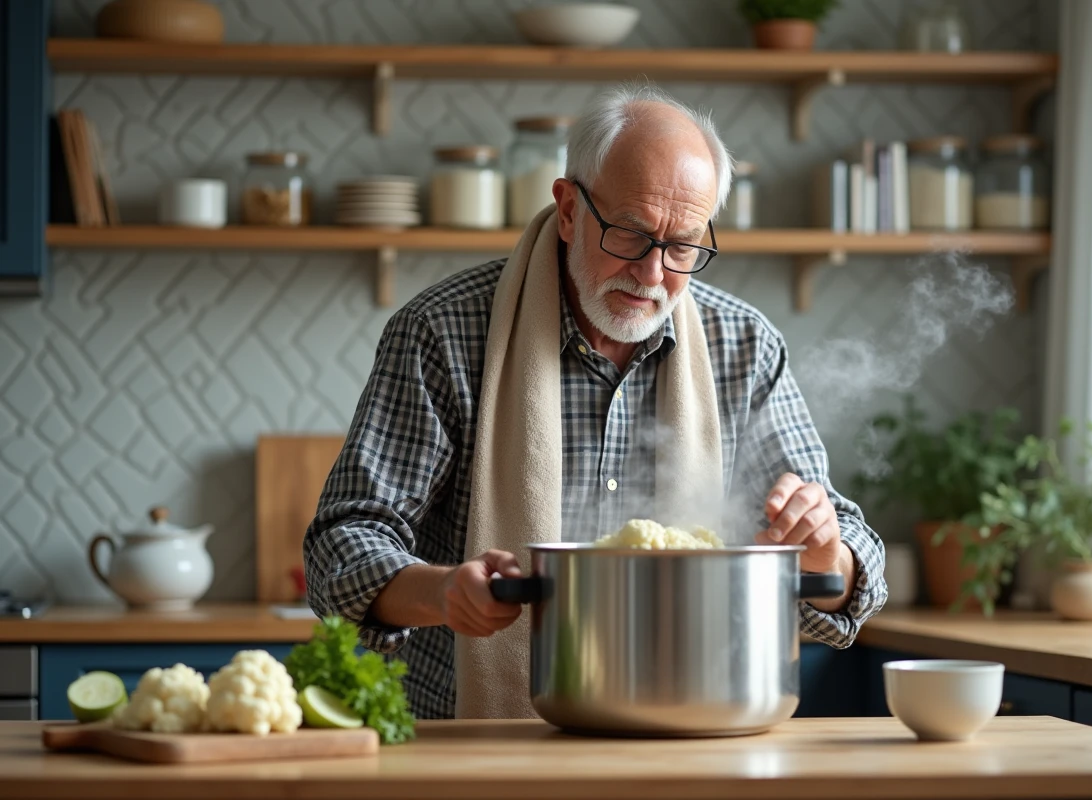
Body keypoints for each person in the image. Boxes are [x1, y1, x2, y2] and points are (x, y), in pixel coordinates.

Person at [304, 83, 888, 720]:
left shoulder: (743, 347)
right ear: (568, 208)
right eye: (631, 235)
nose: (653, 273)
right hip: (475, 747)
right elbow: (343, 542)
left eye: (683, 246)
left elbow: (850, 573)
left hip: (689, 737)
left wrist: (828, 550)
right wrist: (442, 591)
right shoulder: (443, 333)